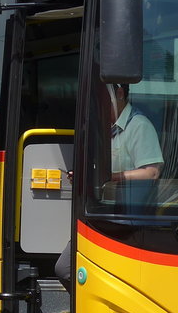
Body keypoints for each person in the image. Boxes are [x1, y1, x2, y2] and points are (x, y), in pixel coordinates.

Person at [55, 83, 163, 288]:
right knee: (65, 269)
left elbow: (151, 172)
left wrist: (110, 177)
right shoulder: (104, 126)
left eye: (103, 97)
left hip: (128, 218)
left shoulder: (139, 125)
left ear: (120, 93)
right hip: (102, 212)